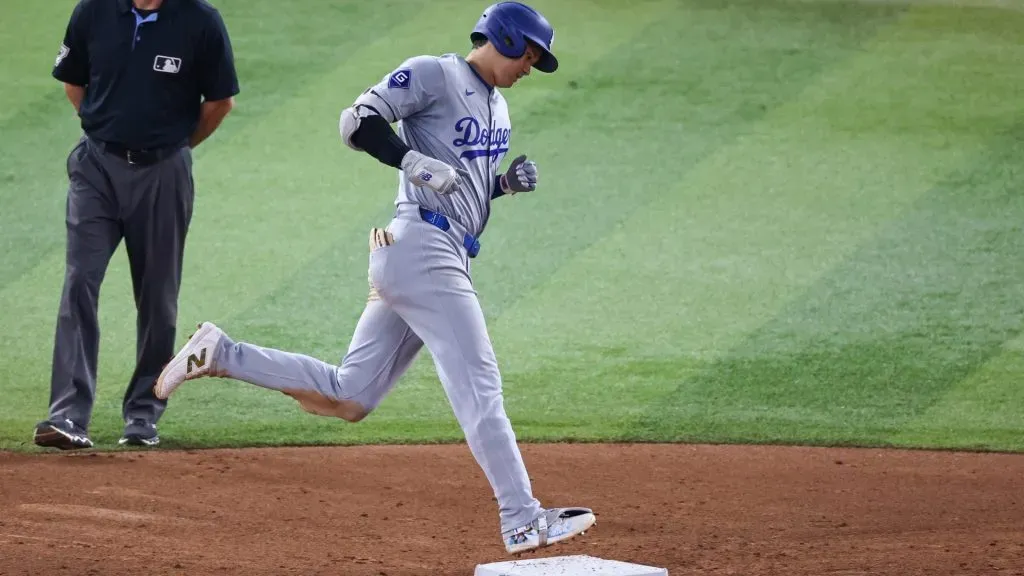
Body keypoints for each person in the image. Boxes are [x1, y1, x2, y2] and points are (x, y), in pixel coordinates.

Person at [153, 0, 595, 556]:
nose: (531, 66)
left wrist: (501, 186)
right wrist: (408, 161)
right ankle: (522, 519)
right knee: (480, 388)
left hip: (437, 253)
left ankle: (221, 353)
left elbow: (457, 187)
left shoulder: (498, 106)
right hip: (423, 251)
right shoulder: (436, 73)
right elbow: (355, 121)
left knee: (350, 395)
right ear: (504, 38)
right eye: (528, 54)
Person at [34, 0, 239, 450]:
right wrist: (102, 126)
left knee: (157, 296)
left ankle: (143, 414)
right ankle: (68, 414)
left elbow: (220, 102)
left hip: (163, 174)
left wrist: (171, 147)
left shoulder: (200, 21)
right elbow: (74, 81)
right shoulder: (93, 11)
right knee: (79, 282)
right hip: (96, 169)